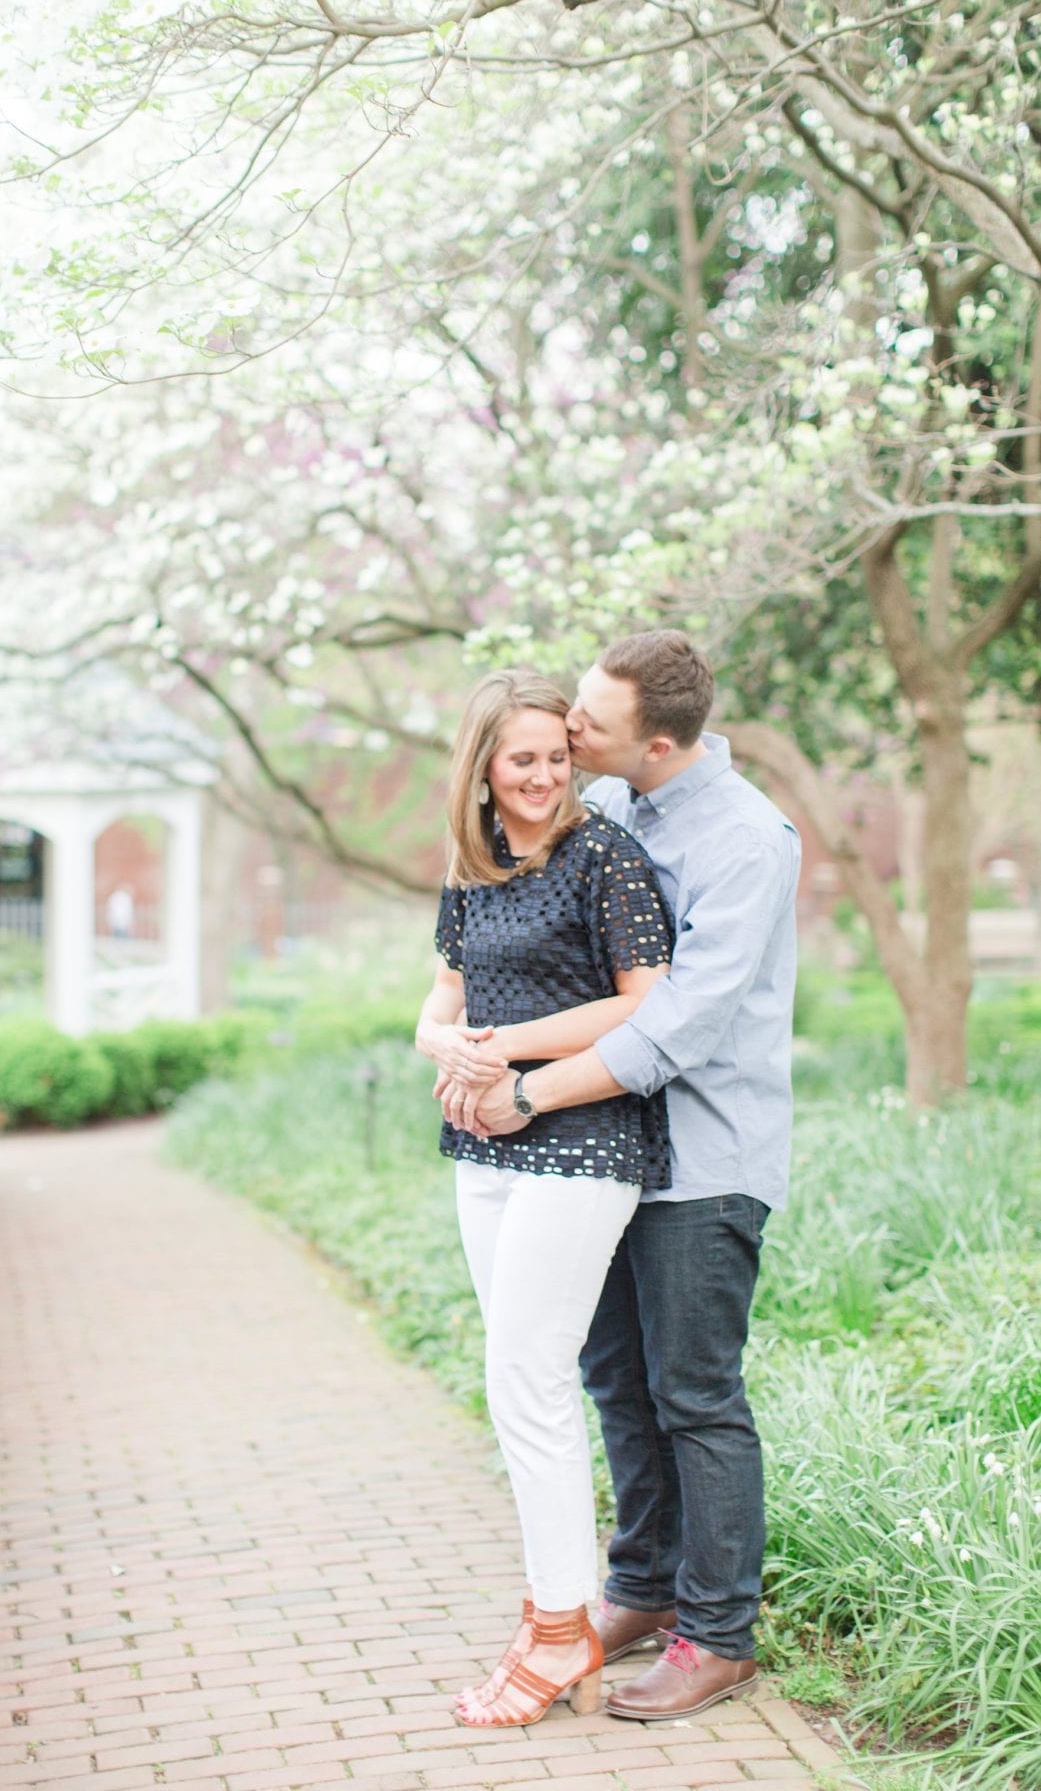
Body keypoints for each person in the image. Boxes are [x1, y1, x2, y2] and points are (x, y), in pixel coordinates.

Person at [446, 631, 800, 1723]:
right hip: (605, 1162)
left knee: (695, 1395)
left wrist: (528, 1090)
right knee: (613, 1384)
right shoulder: (623, 814)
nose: (572, 736)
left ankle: (719, 1632)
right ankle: (640, 1588)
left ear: (655, 742)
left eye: (591, 725)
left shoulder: (748, 840)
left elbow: (677, 1023)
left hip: (702, 1159)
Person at [415, 667, 674, 1729]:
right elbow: (440, 1003)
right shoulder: (470, 871)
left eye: (556, 759)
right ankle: (549, 1613)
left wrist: (498, 1047)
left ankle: (564, 1628)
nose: (543, 777)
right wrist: (449, 1046)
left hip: (584, 1141)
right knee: (515, 1382)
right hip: (484, 1147)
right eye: (521, 760)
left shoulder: (602, 856)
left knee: (528, 1377)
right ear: (482, 767)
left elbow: (645, 1004)